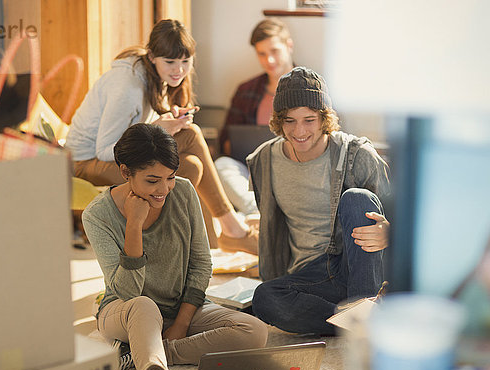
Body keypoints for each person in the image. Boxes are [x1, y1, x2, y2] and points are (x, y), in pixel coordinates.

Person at [82, 123, 268, 370]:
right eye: (152, 180)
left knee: (254, 331)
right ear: (125, 172)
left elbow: (201, 264)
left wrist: (181, 323)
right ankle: (153, 369)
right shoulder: (97, 215)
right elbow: (127, 293)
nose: (164, 189)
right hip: (125, 310)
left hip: (179, 306)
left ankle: (142, 352)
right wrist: (134, 224)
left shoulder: (183, 191)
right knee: (144, 305)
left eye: (170, 177)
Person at [67, 19, 257, 254]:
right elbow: (105, 150)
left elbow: (135, 126)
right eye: (170, 62)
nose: (179, 70)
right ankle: (227, 234)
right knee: (191, 143)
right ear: (152, 57)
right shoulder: (127, 87)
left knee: (191, 165)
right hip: (86, 164)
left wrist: (168, 118)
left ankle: (213, 243)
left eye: (185, 61)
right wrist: (157, 127)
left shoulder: (151, 75)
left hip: (116, 156)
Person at [248, 67, 391, 335]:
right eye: (289, 121)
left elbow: (405, 217)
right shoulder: (263, 160)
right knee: (264, 299)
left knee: (357, 199)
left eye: (309, 120)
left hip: (354, 267)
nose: (299, 131)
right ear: (279, 120)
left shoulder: (357, 155)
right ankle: (358, 322)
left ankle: (361, 308)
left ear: (324, 118)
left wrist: (389, 233)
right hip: (309, 278)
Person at [215, 18, 295, 216]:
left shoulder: (312, 88)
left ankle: (257, 217)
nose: (269, 60)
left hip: (294, 175)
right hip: (253, 176)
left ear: (289, 46)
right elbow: (226, 143)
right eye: (262, 54)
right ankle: (260, 214)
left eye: (274, 51)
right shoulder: (245, 92)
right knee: (222, 165)